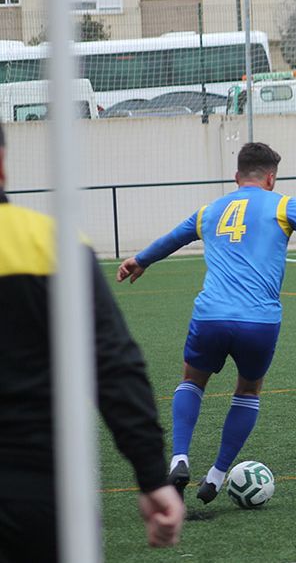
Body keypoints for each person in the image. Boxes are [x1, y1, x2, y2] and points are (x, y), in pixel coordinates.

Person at [117, 142, 296, 504]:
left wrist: (139, 260)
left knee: (192, 381)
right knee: (248, 391)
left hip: (211, 315)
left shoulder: (209, 211)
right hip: (258, 321)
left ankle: (179, 458)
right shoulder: (285, 204)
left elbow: (172, 239)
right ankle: (217, 476)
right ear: (271, 178)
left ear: (236, 176)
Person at [0, 124, 184, 560]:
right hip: (39, 494)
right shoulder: (50, 244)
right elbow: (114, 365)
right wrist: (152, 476)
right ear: (4, 164)